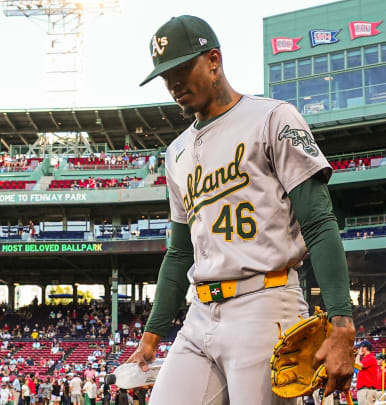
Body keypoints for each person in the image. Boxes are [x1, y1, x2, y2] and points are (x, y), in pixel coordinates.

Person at [128, 15, 355, 405]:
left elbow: (318, 223)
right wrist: (151, 338)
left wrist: (342, 324)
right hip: (200, 314)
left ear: (213, 60)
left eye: (182, 69)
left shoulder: (271, 118)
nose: (174, 85)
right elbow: (181, 251)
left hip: (265, 304)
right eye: (166, 77)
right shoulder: (176, 152)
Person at [355, 341, 378, 405]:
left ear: (365, 348)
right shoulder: (367, 358)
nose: (358, 349)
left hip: (367, 390)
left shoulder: (370, 358)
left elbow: (358, 365)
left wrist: (359, 354)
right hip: (366, 390)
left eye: (360, 347)